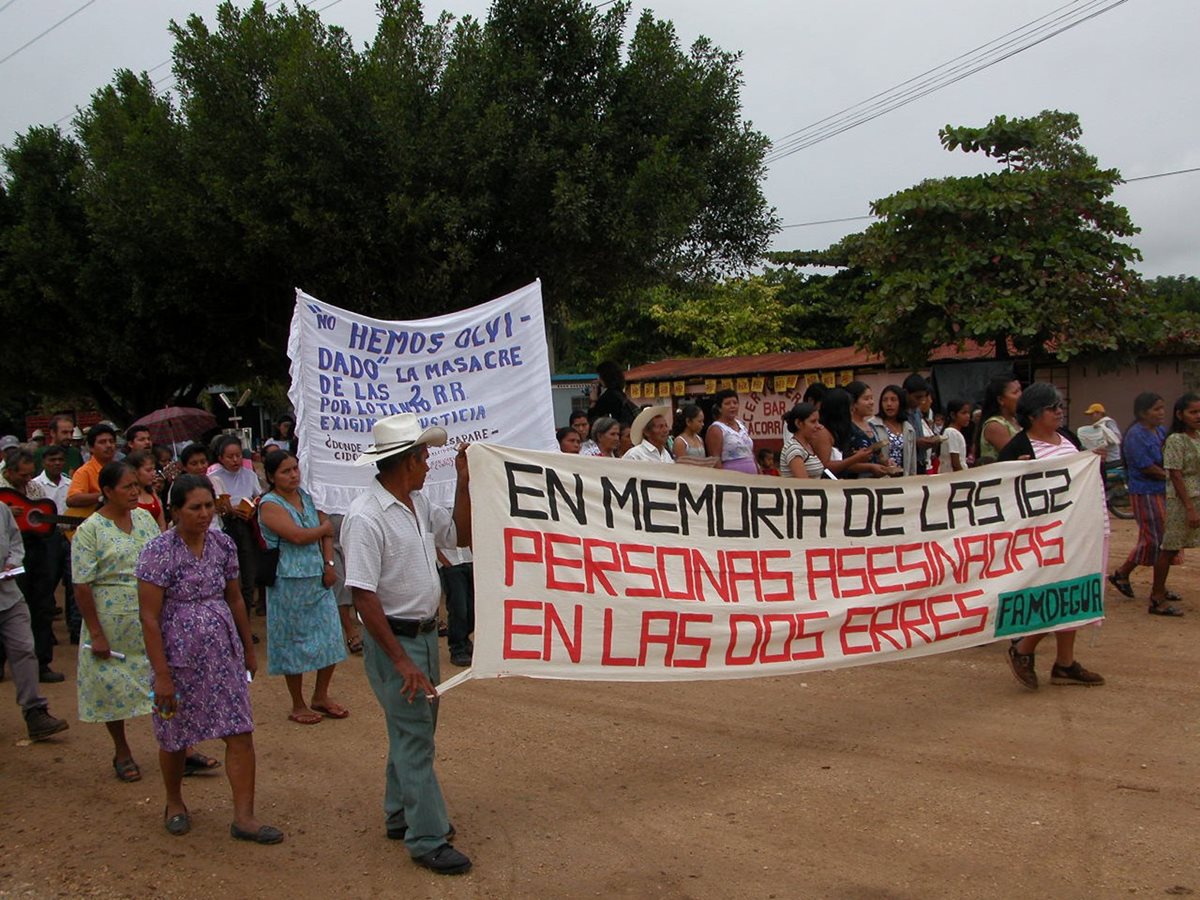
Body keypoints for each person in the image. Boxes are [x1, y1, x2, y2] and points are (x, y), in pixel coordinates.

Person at [343, 413, 473, 875]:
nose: (428, 463)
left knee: (413, 731)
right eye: (424, 456)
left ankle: (401, 813)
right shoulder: (366, 517)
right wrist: (400, 661)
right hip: (396, 643)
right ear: (407, 461)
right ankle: (427, 836)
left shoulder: (415, 503)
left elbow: (462, 535)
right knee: (416, 735)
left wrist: (463, 480)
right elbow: (363, 594)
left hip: (416, 638)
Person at [136, 474, 281, 844]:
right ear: (175, 511)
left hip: (222, 653)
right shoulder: (157, 551)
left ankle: (244, 817)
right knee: (174, 734)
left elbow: (234, 597)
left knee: (239, 730)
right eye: (194, 507)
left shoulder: (223, 545)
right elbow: (149, 616)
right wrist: (162, 674)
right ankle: (174, 803)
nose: (203, 514)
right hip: (177, 656)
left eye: (208, 506)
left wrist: (247, 647)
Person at [999, 383, 1104, 689]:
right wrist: (1011, 472)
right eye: (1052, 407)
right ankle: (1024, 648)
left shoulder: (1067, 437)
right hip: (1043, 535)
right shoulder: (1019, 447)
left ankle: (1065, 663)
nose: (1059, 412)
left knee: (1076, 591)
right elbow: (996, 487)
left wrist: (1091, 457)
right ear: (1033, 415)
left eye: (1060, 406)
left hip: (1079, 528)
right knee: (1055, 594)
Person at [72, 461, 158, 782]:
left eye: (137, 484)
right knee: (112, 686)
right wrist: (96, 632)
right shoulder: (89, 530)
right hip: (111, 621)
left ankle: (180, 747)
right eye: (127, 486)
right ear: (107, 491)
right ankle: (122, 751)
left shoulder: (145, 518)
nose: (135, 491)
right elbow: (82, 584)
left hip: (149, 616)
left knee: (163, 680)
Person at [256, 450, 347, 725]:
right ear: (271, 476)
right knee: (292, 643)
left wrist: (329, 564)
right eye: (286, 471)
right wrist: (323, 529)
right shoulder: (268, 505)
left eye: (295, 469)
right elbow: (298, 536)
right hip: (287, 582)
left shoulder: (307, 497)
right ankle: (297, 703)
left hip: (317, 577)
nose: (294, 475)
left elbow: (324, 535)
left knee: (330, 636)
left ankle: (321, 695)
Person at [0, 449, 62, 682]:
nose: (27, 479)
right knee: (7, 607)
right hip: (5, 553)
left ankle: (42, 663)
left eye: (29, 474)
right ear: (8, 472)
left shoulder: (35, 489)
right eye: (22, 475)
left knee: (41, 605)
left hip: (35, 549)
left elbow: (42, 517)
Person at [1108, 392, 1172, 600]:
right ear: (1143, 413)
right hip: (1145, 491)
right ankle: (1126, 574)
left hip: (1161, 490)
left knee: (1160, 538)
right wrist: (1172, 477)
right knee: (1155, 539)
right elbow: (1146, 467)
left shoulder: (1160, 431)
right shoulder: (1136, 435)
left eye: (1162, 408)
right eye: (1156, 409)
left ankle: (1153, 583)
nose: (1161, 413)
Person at [1146, 393, 1200, 616]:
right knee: (1170, 548)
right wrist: (1189, 507)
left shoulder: (1197, 436)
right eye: (1193, 412)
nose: (1198, 416)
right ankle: (1157, 597)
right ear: (1180, 414)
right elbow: (1175, 474)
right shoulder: (1176, 440)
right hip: (1182, 500)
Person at [33, 444, 80, 643]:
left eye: (60, 460)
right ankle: (46, 632)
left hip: (69, 536)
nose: (57, 463)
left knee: (73, 582)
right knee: (47, 583)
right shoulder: (35, 485)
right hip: (46, 540)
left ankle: (75, 629)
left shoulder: (70, 484)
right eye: (52, 460)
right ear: (44, 462)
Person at [208, 436, 261, 607]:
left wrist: (253, 505)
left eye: (238, 455)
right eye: (230, 457)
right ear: (220, 458)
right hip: (225, 525)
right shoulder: (214, 477)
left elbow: (258, 495)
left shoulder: (250, 475)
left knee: (248, 573)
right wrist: (229, 509)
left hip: (247, 525)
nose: (235, 460)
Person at [811, 387, 886, 478]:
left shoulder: (837, 431)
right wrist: (855, 458)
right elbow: (825, 467)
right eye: (850, 410)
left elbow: (842, 462)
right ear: (840, 411)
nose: (852, 412)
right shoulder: (823, 433)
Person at [67, 423, 119, 520]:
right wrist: (104, 496)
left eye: (111, 441)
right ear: (91, 448)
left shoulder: (122, 469)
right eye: (102, 442)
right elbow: (72, 500)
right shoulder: (84, 471)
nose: (108, 445)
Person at [868, 384, 918, 476]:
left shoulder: (908, 428)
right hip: (880, 480)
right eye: (885, 400)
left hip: (903, 480)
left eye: (893, 400)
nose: (889, 404)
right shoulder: (872, 425)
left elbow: (912, 461)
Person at [437, 546, 474, 668]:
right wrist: (442, 560)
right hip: (450, 562)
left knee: (472, 606)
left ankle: (464, 638)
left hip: (469, 559)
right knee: (458, 606)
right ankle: (457, 648)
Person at [704, 390, 757, 474]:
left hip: (752, 477)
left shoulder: (742, 425)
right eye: (727, 403)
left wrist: (759, 472)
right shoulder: (716, 429)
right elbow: (715, 459)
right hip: (731, 477)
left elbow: (751, 453)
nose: (732, 406)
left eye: (735, 403)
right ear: (719, 408)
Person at [976, 376, 1022, 464]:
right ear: (1001, 400)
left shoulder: (1016, 420)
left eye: (1020, 390)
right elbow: (1015, 456)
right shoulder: (995, 425)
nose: (1021, 395)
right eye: (1015, 392)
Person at [902, 374, 940, 474]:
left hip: (922, 462)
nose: (921, 401)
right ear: (906, 393)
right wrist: (916, 442)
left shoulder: (917, 412)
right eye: (917, 397)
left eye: (923, 397)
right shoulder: (899, 414)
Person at [780, 402, 825, 479]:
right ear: (799, 423)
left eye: (818, 421)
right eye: (813, 422)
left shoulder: (808, 446)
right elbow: (804, 484)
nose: (818, 426)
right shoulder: (794, 449)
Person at [126, 450, 168, 532]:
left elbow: (162, 524)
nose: (153, 473)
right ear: (135, 471)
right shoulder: (127, 495)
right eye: (148, 470)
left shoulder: (152, 492)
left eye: (153, 469)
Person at [587, 361, 637, 427]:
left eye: (599, 376)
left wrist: (593, 401)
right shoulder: (620, 394)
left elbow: (593, 420)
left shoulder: (608, 396)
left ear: (605, 377)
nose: (598, 379)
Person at [939, 399, 972, 473]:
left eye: (969, 413)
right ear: (953, 415)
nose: (968, 416)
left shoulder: (954, 432)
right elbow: (955, 463)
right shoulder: (951, 432)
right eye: (964, 413)